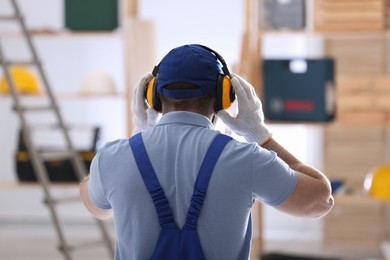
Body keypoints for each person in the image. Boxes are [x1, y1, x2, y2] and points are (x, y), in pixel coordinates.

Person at [80, 44, 334, 260]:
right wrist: (261, 137)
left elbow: (96, 206)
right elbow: (320, 202)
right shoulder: (246, 159)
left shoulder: (114, 159)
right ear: (225, 96)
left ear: (153, 96)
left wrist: (138, 135)